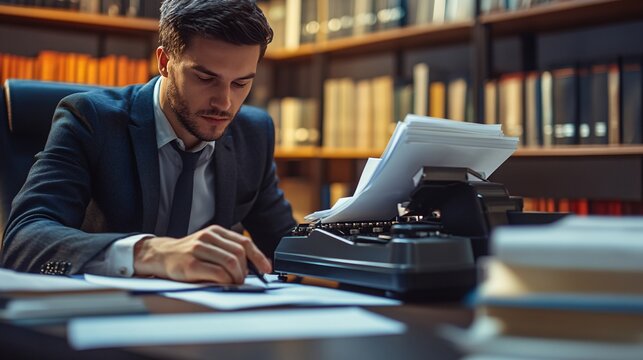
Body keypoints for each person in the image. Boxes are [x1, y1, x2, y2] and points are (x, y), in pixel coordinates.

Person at [1, 0, 296, 284]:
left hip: (211, 321)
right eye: (206, 79)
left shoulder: (254, 133)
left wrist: (340, 230)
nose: (225, 102)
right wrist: (150, 252)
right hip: (108, 318)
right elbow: (23, 240)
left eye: (241, 83)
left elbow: (287, 246)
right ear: (165, 62)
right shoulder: (91, 119)